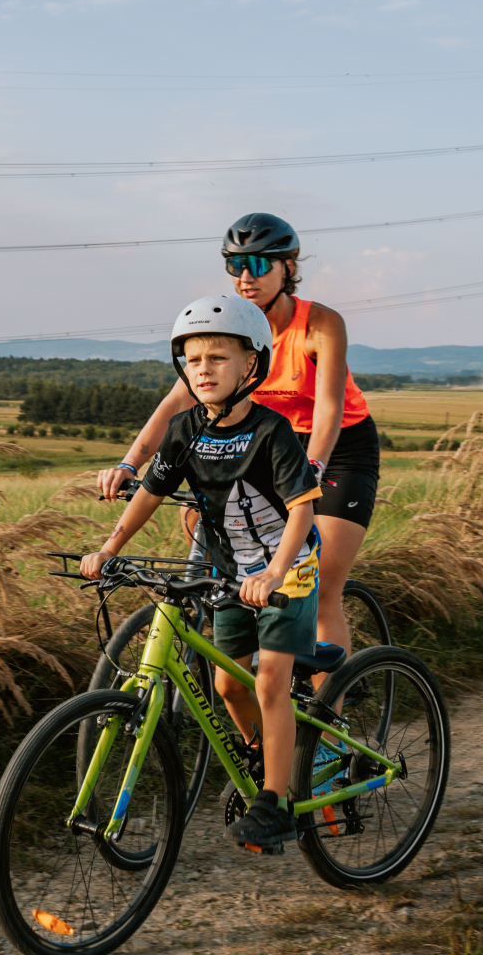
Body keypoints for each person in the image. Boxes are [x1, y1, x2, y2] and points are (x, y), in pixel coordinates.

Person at [82, 293, 322, 854]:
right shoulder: (186, 428)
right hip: (228, 572)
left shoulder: (272, 431)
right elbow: (149, 493)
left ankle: (275, 802)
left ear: (250, 365)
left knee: (268, 682)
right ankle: (265, 755)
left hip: (288, 572)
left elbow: (301, 510)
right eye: (192, 360)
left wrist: (275, 573)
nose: (203, 369)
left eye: (217, 358)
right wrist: (109, 546)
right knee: (224, 685)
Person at [97, 213, 378, 660]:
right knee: (219, 551)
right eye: (235, 264)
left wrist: (316, 467)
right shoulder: (233, 325)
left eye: (261, 264)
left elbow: (329, 407)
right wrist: (130, 463)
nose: (246, 277)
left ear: (289, 266)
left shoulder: (319, 324)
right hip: (261, 445)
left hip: (337, 447)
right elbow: (177, 402)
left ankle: (326, 717)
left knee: (319, 581)